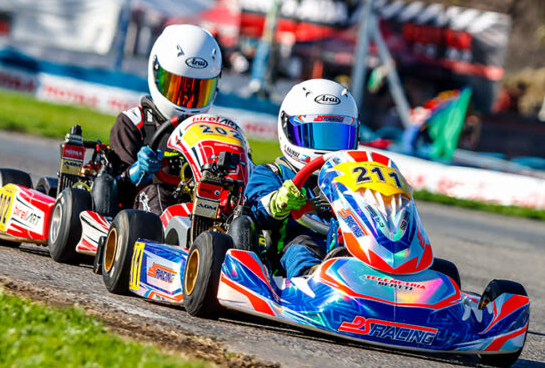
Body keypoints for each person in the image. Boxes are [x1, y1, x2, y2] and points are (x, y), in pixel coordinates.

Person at [246, 79, 359, 278]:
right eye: (313, 135)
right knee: (302, 247)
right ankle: (312, 276)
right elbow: (253, 208)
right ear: (287, 128)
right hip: (288, 254)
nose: (325, 147)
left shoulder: (353, 177)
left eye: (336, 136)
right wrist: (277, 202)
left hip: (350, 247)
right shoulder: (272, 172)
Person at [109, 24, 222, 214]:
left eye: (198, 91)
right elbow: (113, 190)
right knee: (158, 193)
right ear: (156, 75)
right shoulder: (133, 123)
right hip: (141, 213)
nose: (187, 98)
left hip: (198, 208)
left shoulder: (211, 133)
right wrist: (137, 171)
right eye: (178, 87)